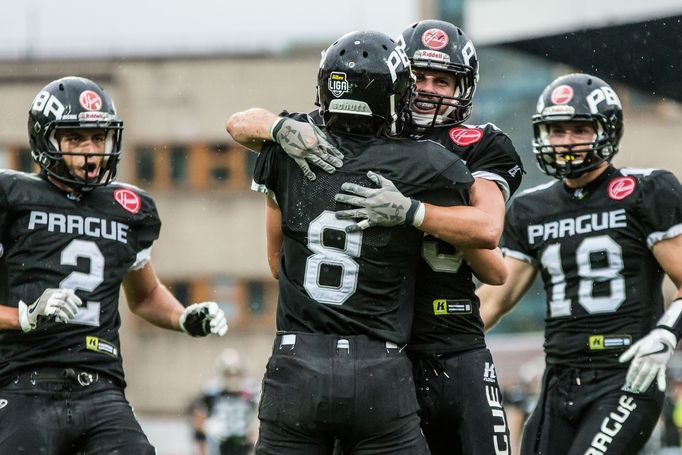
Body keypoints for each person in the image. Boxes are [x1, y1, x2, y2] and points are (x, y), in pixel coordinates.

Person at [227, 19, 524, 454]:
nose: (427, 89)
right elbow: (242, 123)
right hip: (384, 349)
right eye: (419, 76)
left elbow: (488, 232)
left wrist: (413, 213)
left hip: (447, 339)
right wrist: (279, 126)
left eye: (442, 80)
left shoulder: (475, 144)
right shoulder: (380, 139)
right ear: (397, 78)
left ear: (464, 88)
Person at [0, 76, 228, 455]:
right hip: (25, 383)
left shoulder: (126, 208)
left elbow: (146, 295)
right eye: (76, 139)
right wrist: (24, 316)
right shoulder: (13, 199)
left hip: (100, 388)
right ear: (46, 140)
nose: (91, 151)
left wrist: (183, 317)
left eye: (99, 138)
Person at [478, 73, 682, 455]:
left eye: (579, 129)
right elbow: (493, 301)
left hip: (626, 373)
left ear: (608, 131)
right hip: (559, 377)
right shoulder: (530, 209)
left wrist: (666, 334)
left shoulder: (646, 192)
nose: (566, 142)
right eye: (556, 131)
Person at [190, 348, 258, 455]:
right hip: (218, 443)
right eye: (229, 373)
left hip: (244, 443)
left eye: (236, 373)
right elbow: (199, 422)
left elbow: (260, 417)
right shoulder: (211, 391)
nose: (232, 378)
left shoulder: (251, 392)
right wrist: (201, 449)